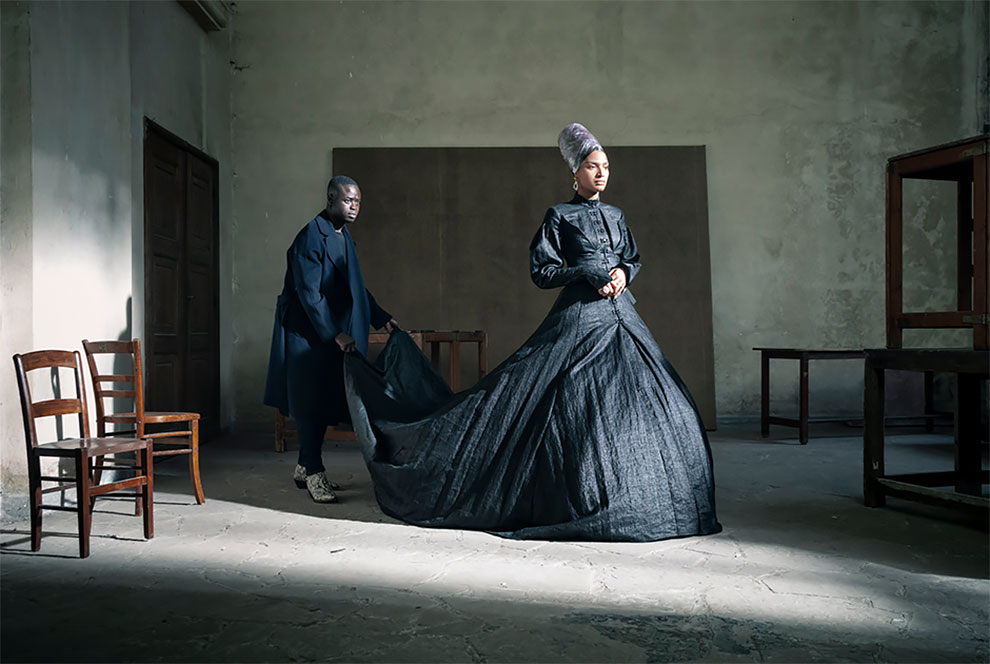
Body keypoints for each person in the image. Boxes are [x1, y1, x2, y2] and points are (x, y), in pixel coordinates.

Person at [343, 124, 721, 541]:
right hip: (579, 318)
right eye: (592, 167)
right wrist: (585, 272)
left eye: (606, 167)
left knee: (659, 401)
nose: (601, 173)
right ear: (575, 173)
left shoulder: (616, 215)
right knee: (555, 400)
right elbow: (542, 271)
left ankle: (647, 497)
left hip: (623, 317)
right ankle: (570, 489)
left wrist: (622, 274)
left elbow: (631, 256)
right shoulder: (559, 216)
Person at [264, 175, 397, 503]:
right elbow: (309, 293)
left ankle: (303, 466)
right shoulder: (312, 236)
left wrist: (380, 316)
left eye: (358, 201)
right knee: (309, 403)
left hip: (327, 332)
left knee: (323, 401)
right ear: (331, 199)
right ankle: (314, 471)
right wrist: (334, 333)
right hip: (306, 333)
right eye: (348, 200)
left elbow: (354, 285)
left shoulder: (342, 236)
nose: (354, 207)